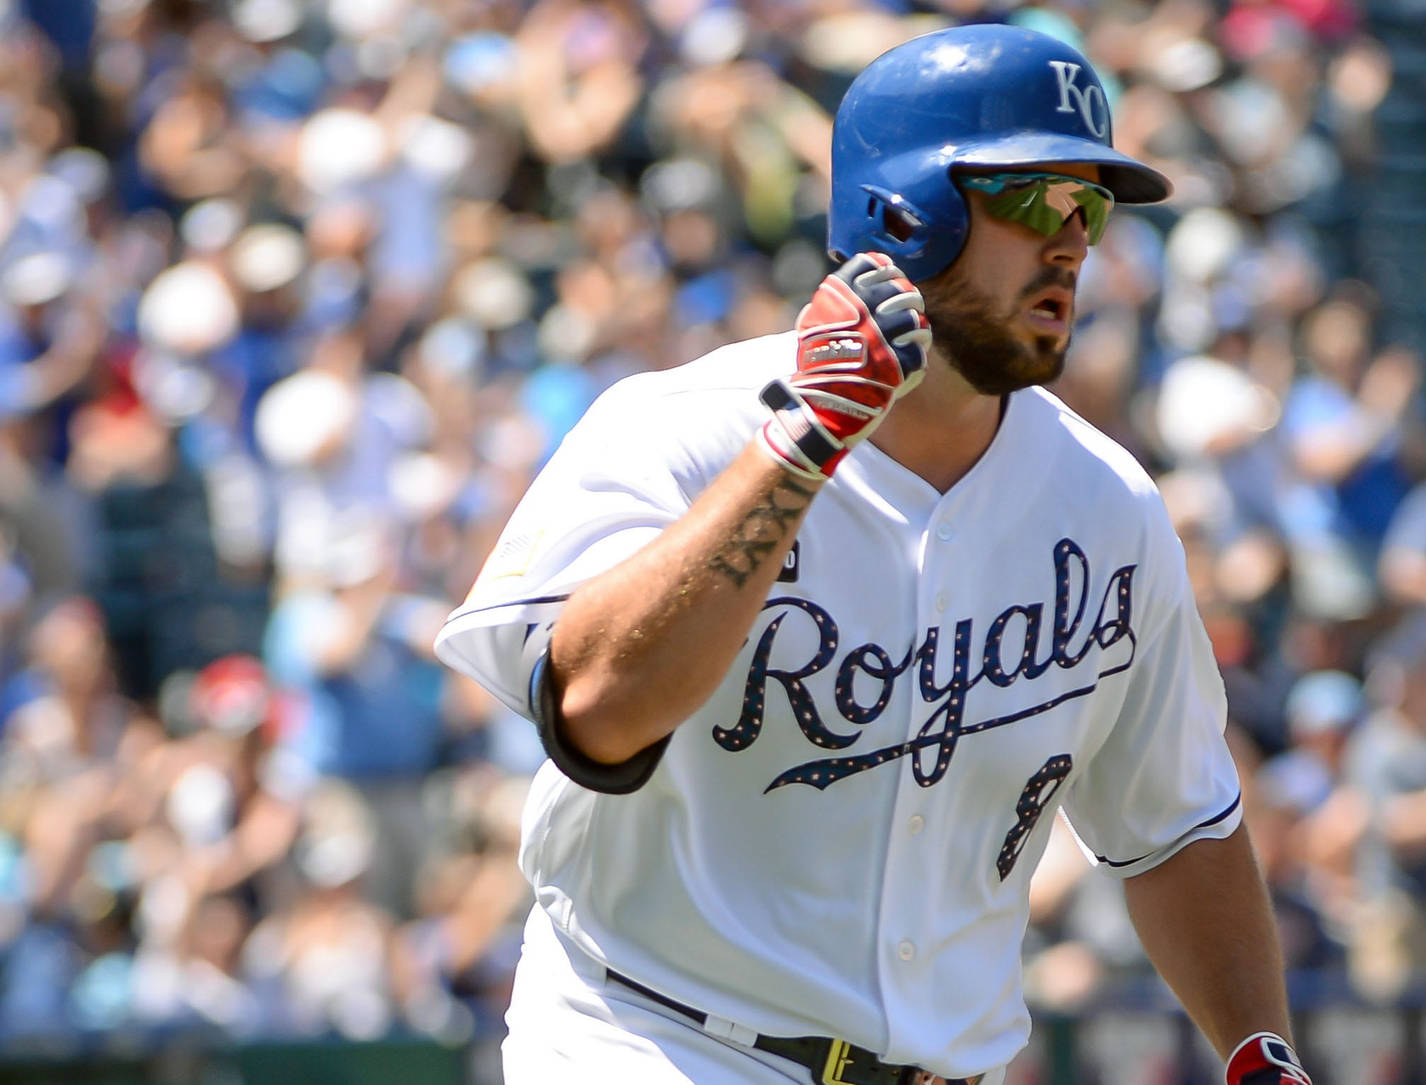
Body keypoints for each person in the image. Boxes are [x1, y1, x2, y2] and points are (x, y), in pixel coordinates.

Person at [435, 25, 1312, 1085]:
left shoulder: (1107, 504)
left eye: (1094, 206)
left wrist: (1261, 1053)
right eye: (1037, 200)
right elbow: (596, 712)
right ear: (907, 210)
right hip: (656, 1038)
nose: (1076, 242)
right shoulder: (684, 430)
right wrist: (802, 446)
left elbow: (1175, 824)